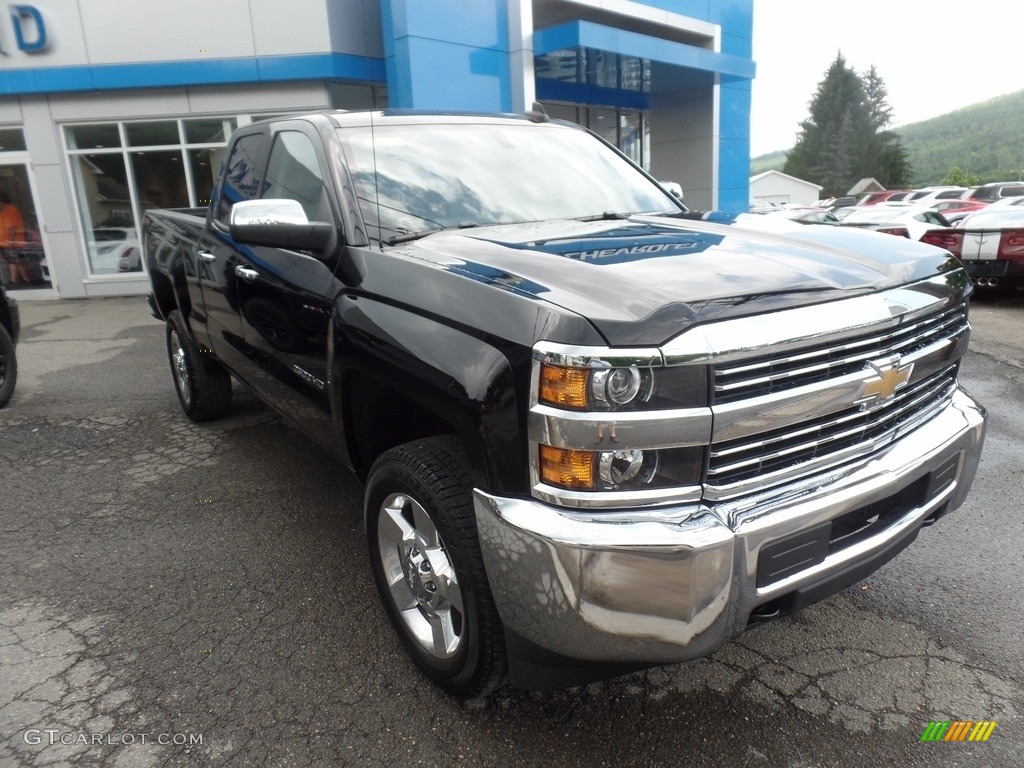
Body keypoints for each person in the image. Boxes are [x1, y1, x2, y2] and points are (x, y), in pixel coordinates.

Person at [0, 192, 30, 286]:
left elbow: (12, 228)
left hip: (11, 242)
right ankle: (25, 280)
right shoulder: (7, 210)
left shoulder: (9, 210)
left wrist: (11, 241)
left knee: (13, 261)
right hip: (11, 242)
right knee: (17, 262)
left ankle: (14, 281)